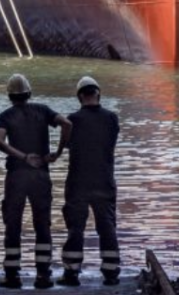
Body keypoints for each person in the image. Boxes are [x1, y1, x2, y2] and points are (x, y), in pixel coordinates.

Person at [0, 73, 72, 290]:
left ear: (9, 95)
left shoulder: (6, 116)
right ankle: (43, 277)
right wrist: (57, 153)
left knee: (13, 225)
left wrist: (22, 156)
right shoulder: (43, 110)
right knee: (42, 225)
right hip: (40, 176)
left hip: (16, 176)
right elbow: (67, 124)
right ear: (29, 92)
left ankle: (12, 277)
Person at [60, 76, 120, 288]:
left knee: (76, 228)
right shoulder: (112, 118)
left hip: (78, 182)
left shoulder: (72, 120)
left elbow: (66, 145)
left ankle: (72, 274)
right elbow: (110, 142)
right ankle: (111, 273)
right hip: (104, 180)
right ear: (98, 94)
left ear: (79, 97)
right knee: (107, 226)